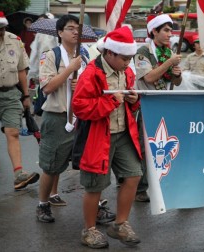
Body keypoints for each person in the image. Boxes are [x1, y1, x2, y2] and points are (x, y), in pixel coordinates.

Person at [72, 26, 142, 249]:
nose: (127, 63)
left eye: (130, 58)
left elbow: (133, 102)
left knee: (133, 176)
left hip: (123, 134)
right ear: (109, 53)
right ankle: (89, 230)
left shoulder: (127, 72)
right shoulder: (91, 73)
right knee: (95, 186)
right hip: (97, 137)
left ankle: (120, 224)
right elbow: (80, 107)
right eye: (124, 58)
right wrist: (112, 102)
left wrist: (134, 101)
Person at [35, 14, 86, 223]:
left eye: (77, 29)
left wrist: (80, 82)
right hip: (57, 117)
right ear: (60, 32)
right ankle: (43, 204)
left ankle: (98, 206)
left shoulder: (84, 56)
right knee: (51, 164)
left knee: (86, 161)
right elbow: (46, 87)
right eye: (70, 28)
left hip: (80, 118)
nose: (75, 32)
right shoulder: (51, 55)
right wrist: (69, 72)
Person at [133, 14, 182, 202]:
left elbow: (176, 82)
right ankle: (140, 187)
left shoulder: (168, 52)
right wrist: (169, 64)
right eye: (166, 30)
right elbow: (149, 78)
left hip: (165, 104)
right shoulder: (143, 52)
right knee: (145, 147)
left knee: (164, 146)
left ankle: (162, 182)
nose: (170, 34)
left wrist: (176, 73)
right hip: (147, 105)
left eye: (171, 30)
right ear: (154, 31)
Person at [0, 11, 40, 190]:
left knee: (13, 132)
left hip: (10, 94)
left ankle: (18, 174)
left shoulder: (15, 41)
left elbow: (22, 70)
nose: (0, 32)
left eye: (2, 28)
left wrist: (25, 96)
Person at [28, 13, 58, 90]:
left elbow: (58, 46)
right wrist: (31, 67)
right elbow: (34, 51)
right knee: (40, 83)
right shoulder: (39, 34)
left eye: (43, 21)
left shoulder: (55, 33)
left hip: (52, 61)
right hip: (40, 61)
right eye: (39, 21)